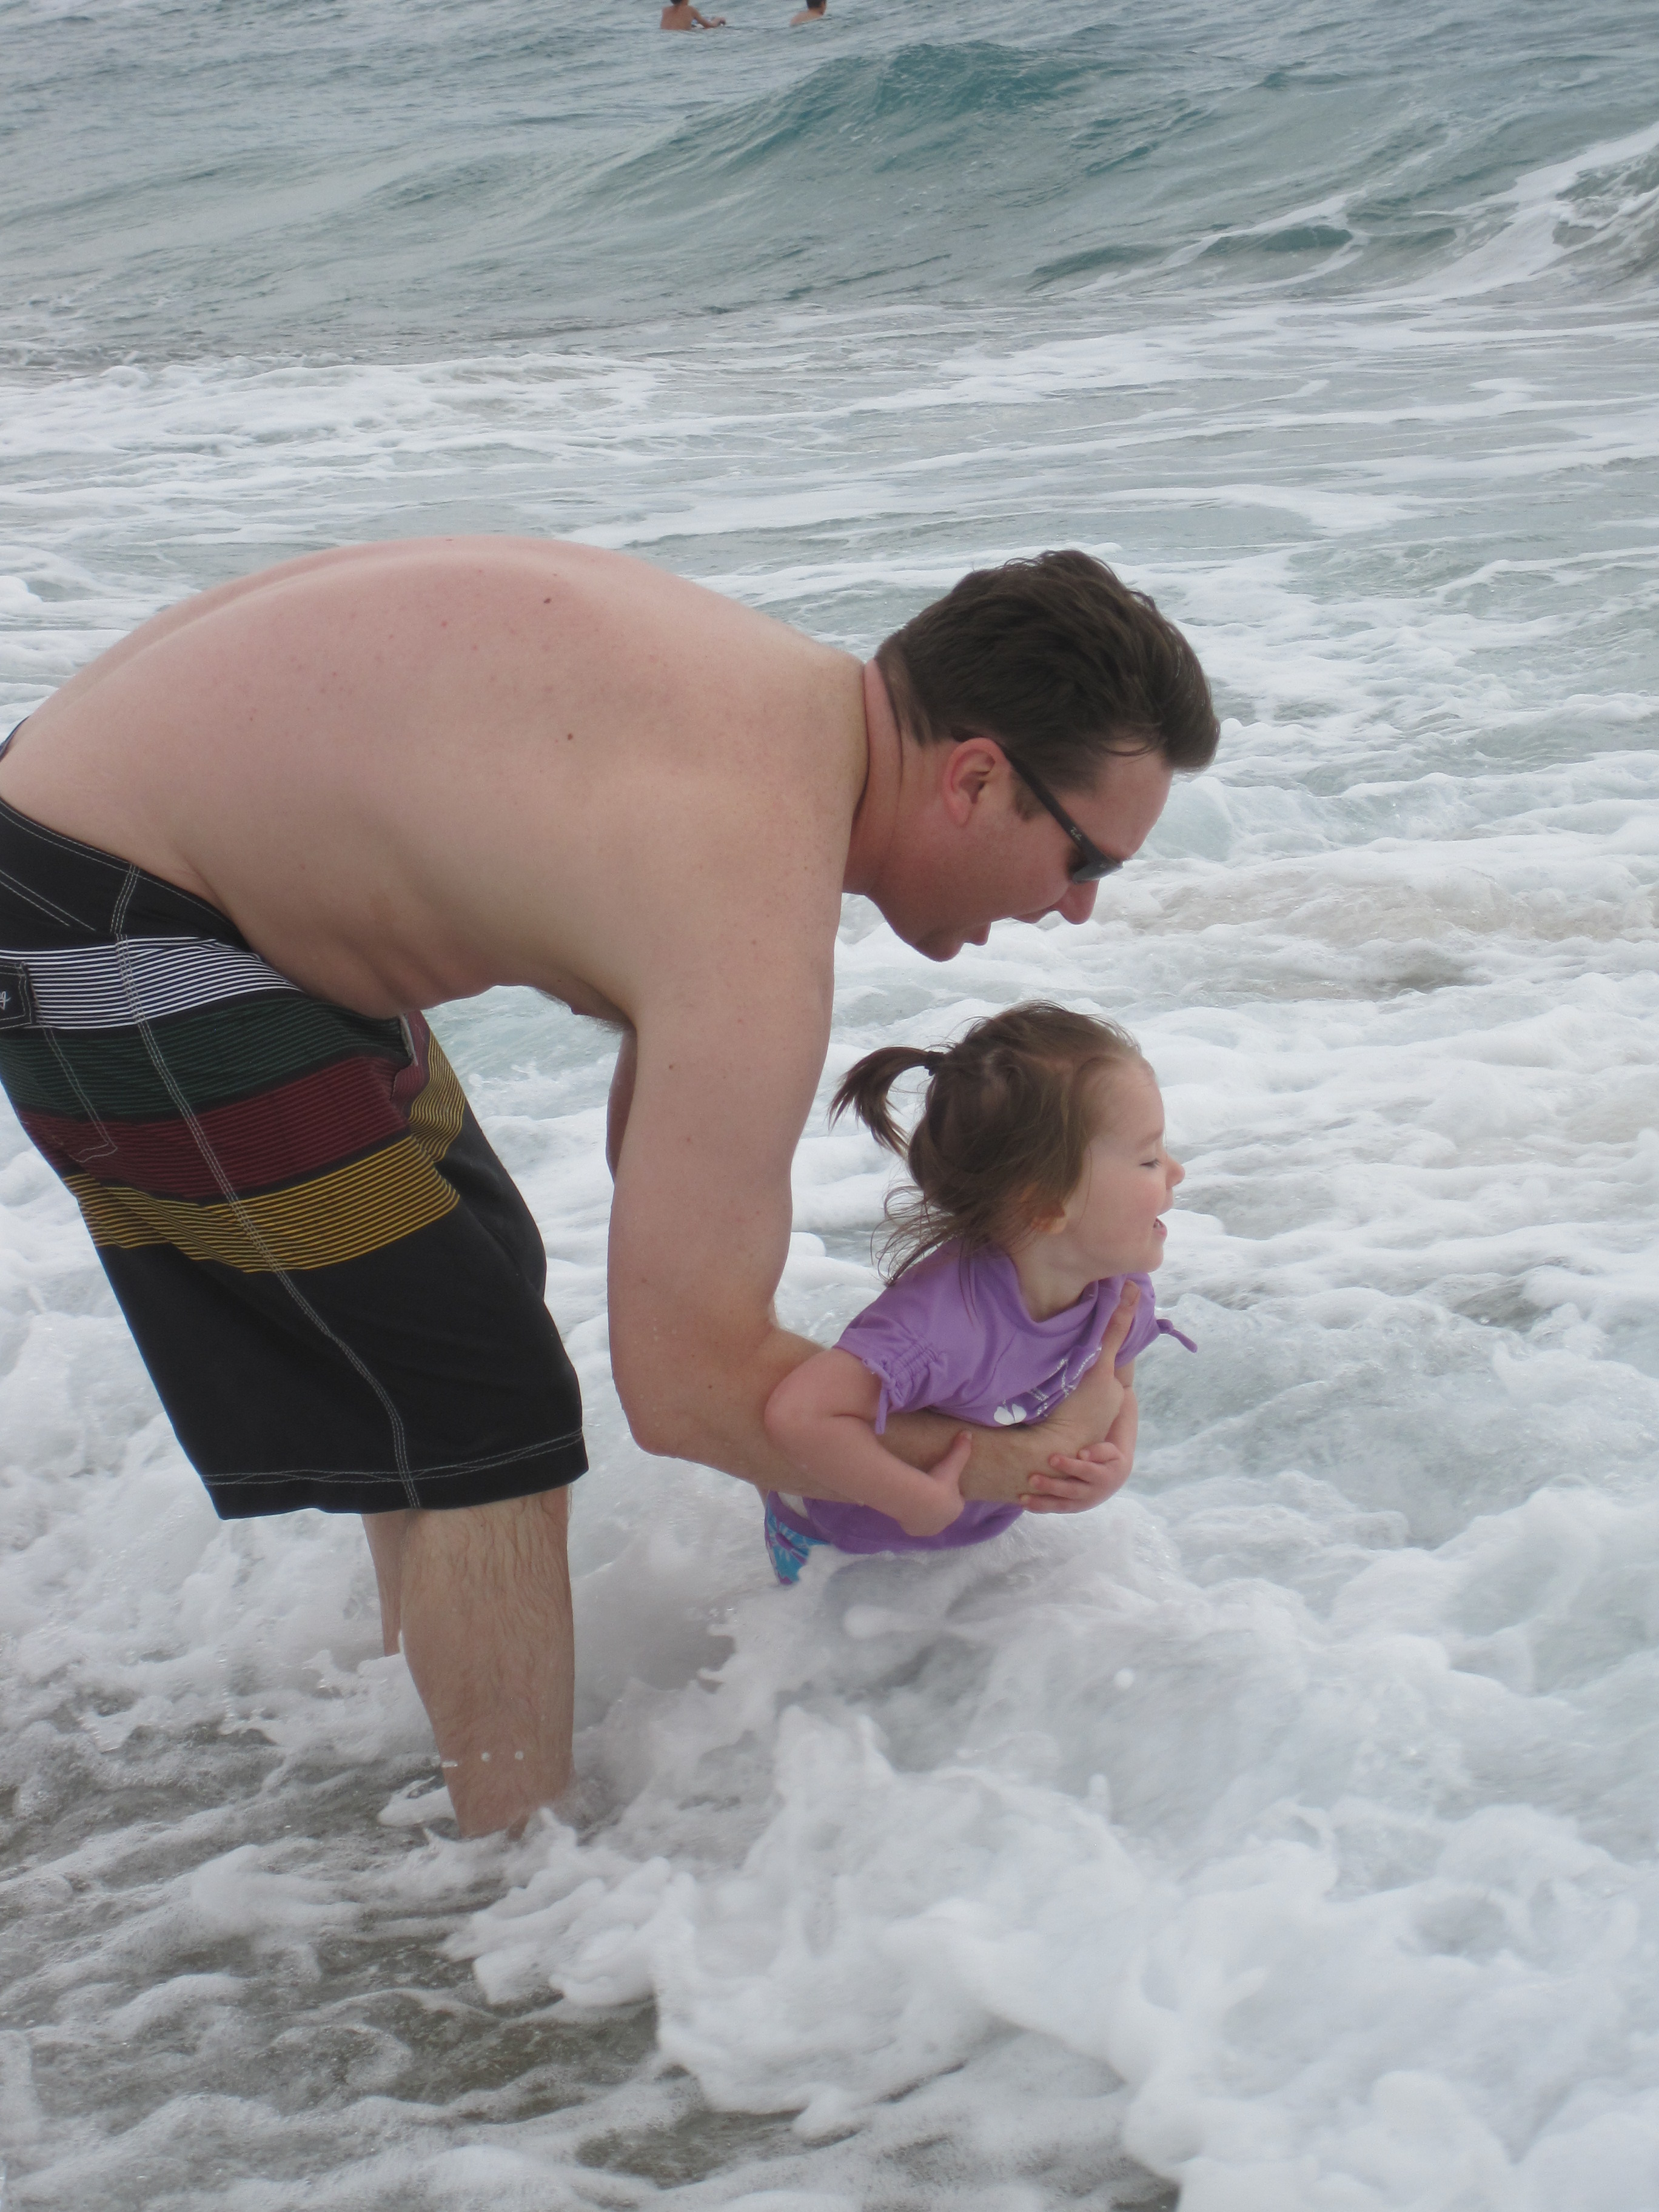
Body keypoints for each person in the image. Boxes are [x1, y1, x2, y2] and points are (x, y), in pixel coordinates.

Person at [0, 539, 1217, 1834]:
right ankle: (507, 1879)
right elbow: (686, 1391)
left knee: (467, 1288)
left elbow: (662, 1203)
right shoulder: (746, 883)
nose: (1078, 911)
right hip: (109, 907)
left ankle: (409, 1733)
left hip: (153, 842)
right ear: (975, 778)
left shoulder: (778, 722)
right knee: (488, 1409)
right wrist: (1005, 1460)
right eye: (1087, 860)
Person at [762, 1005, 1193, 1579]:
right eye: (1149, 1158)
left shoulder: (1117, 1286)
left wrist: (1117, 1460)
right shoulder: (940, 1325)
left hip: (964, 1535)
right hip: (838, 1546)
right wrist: (911, 1499)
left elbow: (1117, 1381)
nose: (1176, 1171)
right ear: (1047, 1204)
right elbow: (800, 1414)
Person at [660, 2, 726, 26]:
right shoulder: (690, 10)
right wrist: (718, 19)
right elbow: (709, 26)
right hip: (684, 34)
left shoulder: (665, 10)